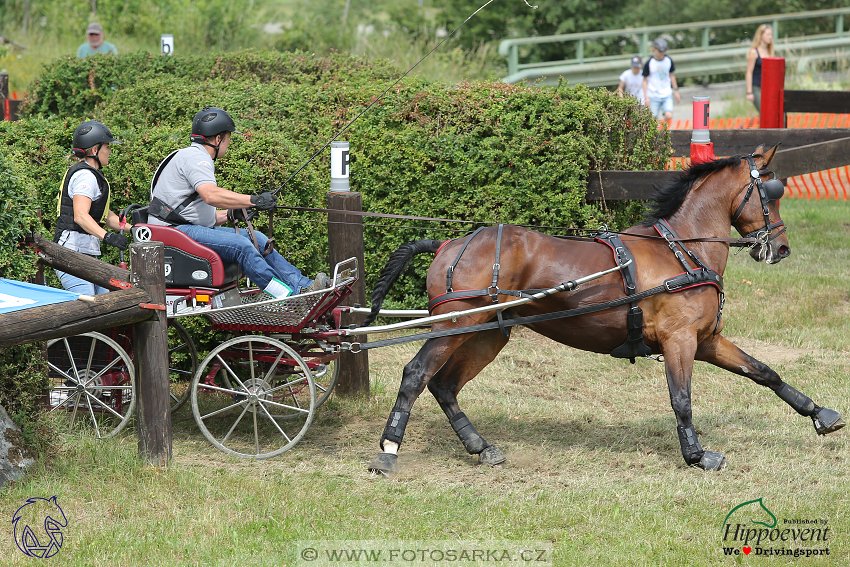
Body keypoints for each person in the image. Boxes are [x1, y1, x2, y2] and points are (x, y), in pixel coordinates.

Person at [147, 107, 327, 298]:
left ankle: (304, 287)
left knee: (257, 238)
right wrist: (253, 201)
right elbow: (210, 195)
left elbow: (193, 214)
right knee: (241, 245)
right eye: (228, 138)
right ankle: (287, 296)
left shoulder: (188, 155)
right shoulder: (197, 158)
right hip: (173, 231)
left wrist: (231, 214)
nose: (228, 143)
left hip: (181, 227)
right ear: (218, 139)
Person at [54, 121, 128, 295]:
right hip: (71, 253)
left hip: (86, 253)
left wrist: (133, 230)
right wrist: (108, 237)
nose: (110, 151)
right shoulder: (85, 176)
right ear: (95, 150)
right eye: (107, 147)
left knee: (105, 301)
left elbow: (104, 215)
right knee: (90, 307)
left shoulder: (92, 175)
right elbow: (80, 215)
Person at [642, 38, 681, 123]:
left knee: (669, 115)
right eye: (660, 51)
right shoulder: (649, 63)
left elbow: (671, 75)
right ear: (654, 49)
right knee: (652, 120)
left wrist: (676, 90)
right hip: (653, 94)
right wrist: (646, 96)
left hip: (666, 93)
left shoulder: (668, 60)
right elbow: (644, 80)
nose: (662, 53)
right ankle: (656, 133)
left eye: (663, 51)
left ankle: (663, 131)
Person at [745, 24, 774, 112]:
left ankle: (746, 126)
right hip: (756, 87)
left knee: (770, 112)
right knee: (764, 112)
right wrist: (749, 92)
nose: (770, 37)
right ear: (761, 36)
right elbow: (749, 72)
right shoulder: (754, 52)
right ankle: (746, 126)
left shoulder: (769, 52)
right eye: (768, 35)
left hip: (767, 87)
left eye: (771, 35)